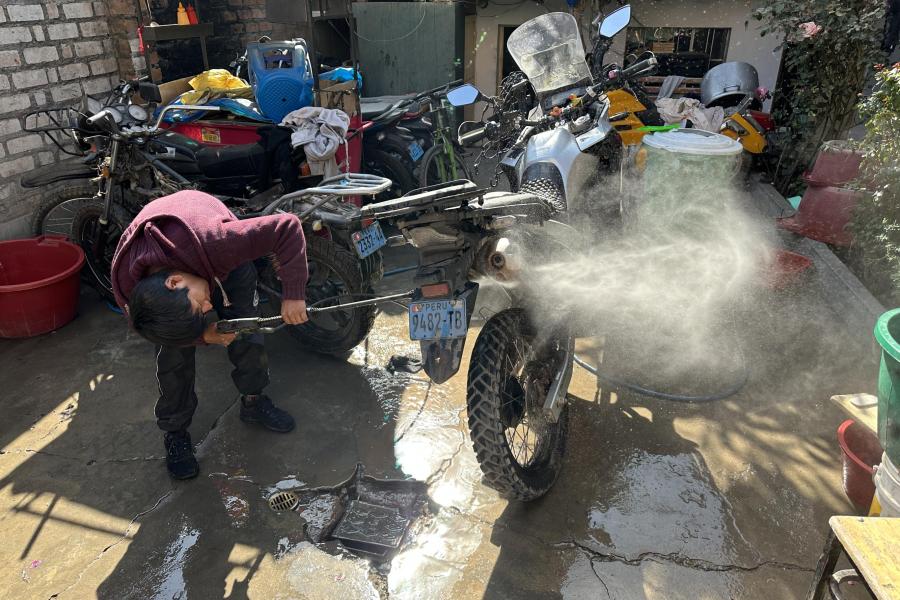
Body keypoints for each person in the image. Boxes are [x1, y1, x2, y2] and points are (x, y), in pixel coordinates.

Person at [111, 190, 309, 480]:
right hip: (184, 260)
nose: (209, 308)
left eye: (200, 306)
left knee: (246, 330)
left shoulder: (222, 243)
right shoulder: (129, 288)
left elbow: (288, 225)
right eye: (204, 311)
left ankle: (254, 400)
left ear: (175, 281)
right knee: (171, 358)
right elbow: (161, 328)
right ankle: (175, 432)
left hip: (206, 245)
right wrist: (204, 335)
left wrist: (294, 293)